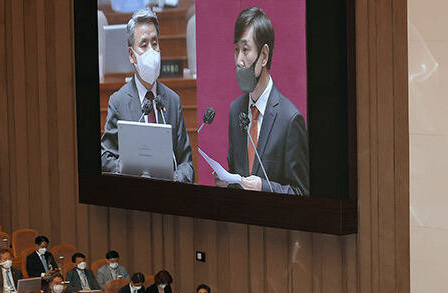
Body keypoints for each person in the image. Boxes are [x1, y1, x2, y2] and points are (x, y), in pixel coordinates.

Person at [216, 7, 309, 195]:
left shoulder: (290, 119)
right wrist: (227, 181)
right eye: (236, 50)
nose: (239, 61)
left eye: (245, 50)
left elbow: (301, 193)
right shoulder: (236, 111)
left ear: (264, 55)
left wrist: (263, 187)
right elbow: (239, 177)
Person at [100, 9, 194, 183]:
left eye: (155, 44)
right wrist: (125, 169)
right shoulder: (119, 101)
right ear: (131, 55)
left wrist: (175, 179)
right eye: (144, 45)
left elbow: (186, 163)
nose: (151, 51)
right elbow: (104, 157)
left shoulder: (173, 101)